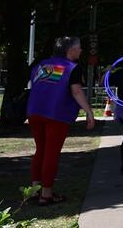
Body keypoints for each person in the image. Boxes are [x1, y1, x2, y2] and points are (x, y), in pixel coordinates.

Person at [26, 36, 96, 205]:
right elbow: (76, 92)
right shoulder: (72, 68)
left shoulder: (40, 65)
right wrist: (89, 112)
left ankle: (35, 190)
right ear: (70, 50)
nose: (81, 50)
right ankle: (47, 194)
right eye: (79, 47)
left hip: (34, 111)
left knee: (40, 150)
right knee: (51, 153)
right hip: (56, 113)